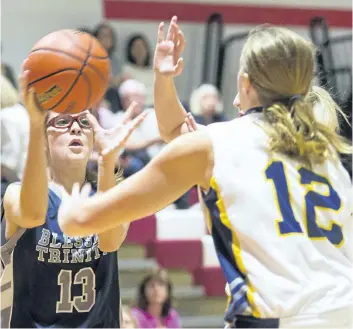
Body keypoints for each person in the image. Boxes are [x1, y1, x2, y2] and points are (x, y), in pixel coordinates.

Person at [57, 19, 353, 328]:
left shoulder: (218, 143)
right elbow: (176, 132)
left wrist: (71, 205)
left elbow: (86, 219)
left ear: (246, 84)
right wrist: (163, 76)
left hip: (280, 316)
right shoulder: (329, 155)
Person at [0, 66, 145, 328]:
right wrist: (35, 124)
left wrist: (107, 159)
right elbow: (33, 215)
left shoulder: (113, 196)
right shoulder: (15, 194)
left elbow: (110, 241)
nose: (75, 128)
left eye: (84, 122)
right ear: (44, 139)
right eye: (63, 122)